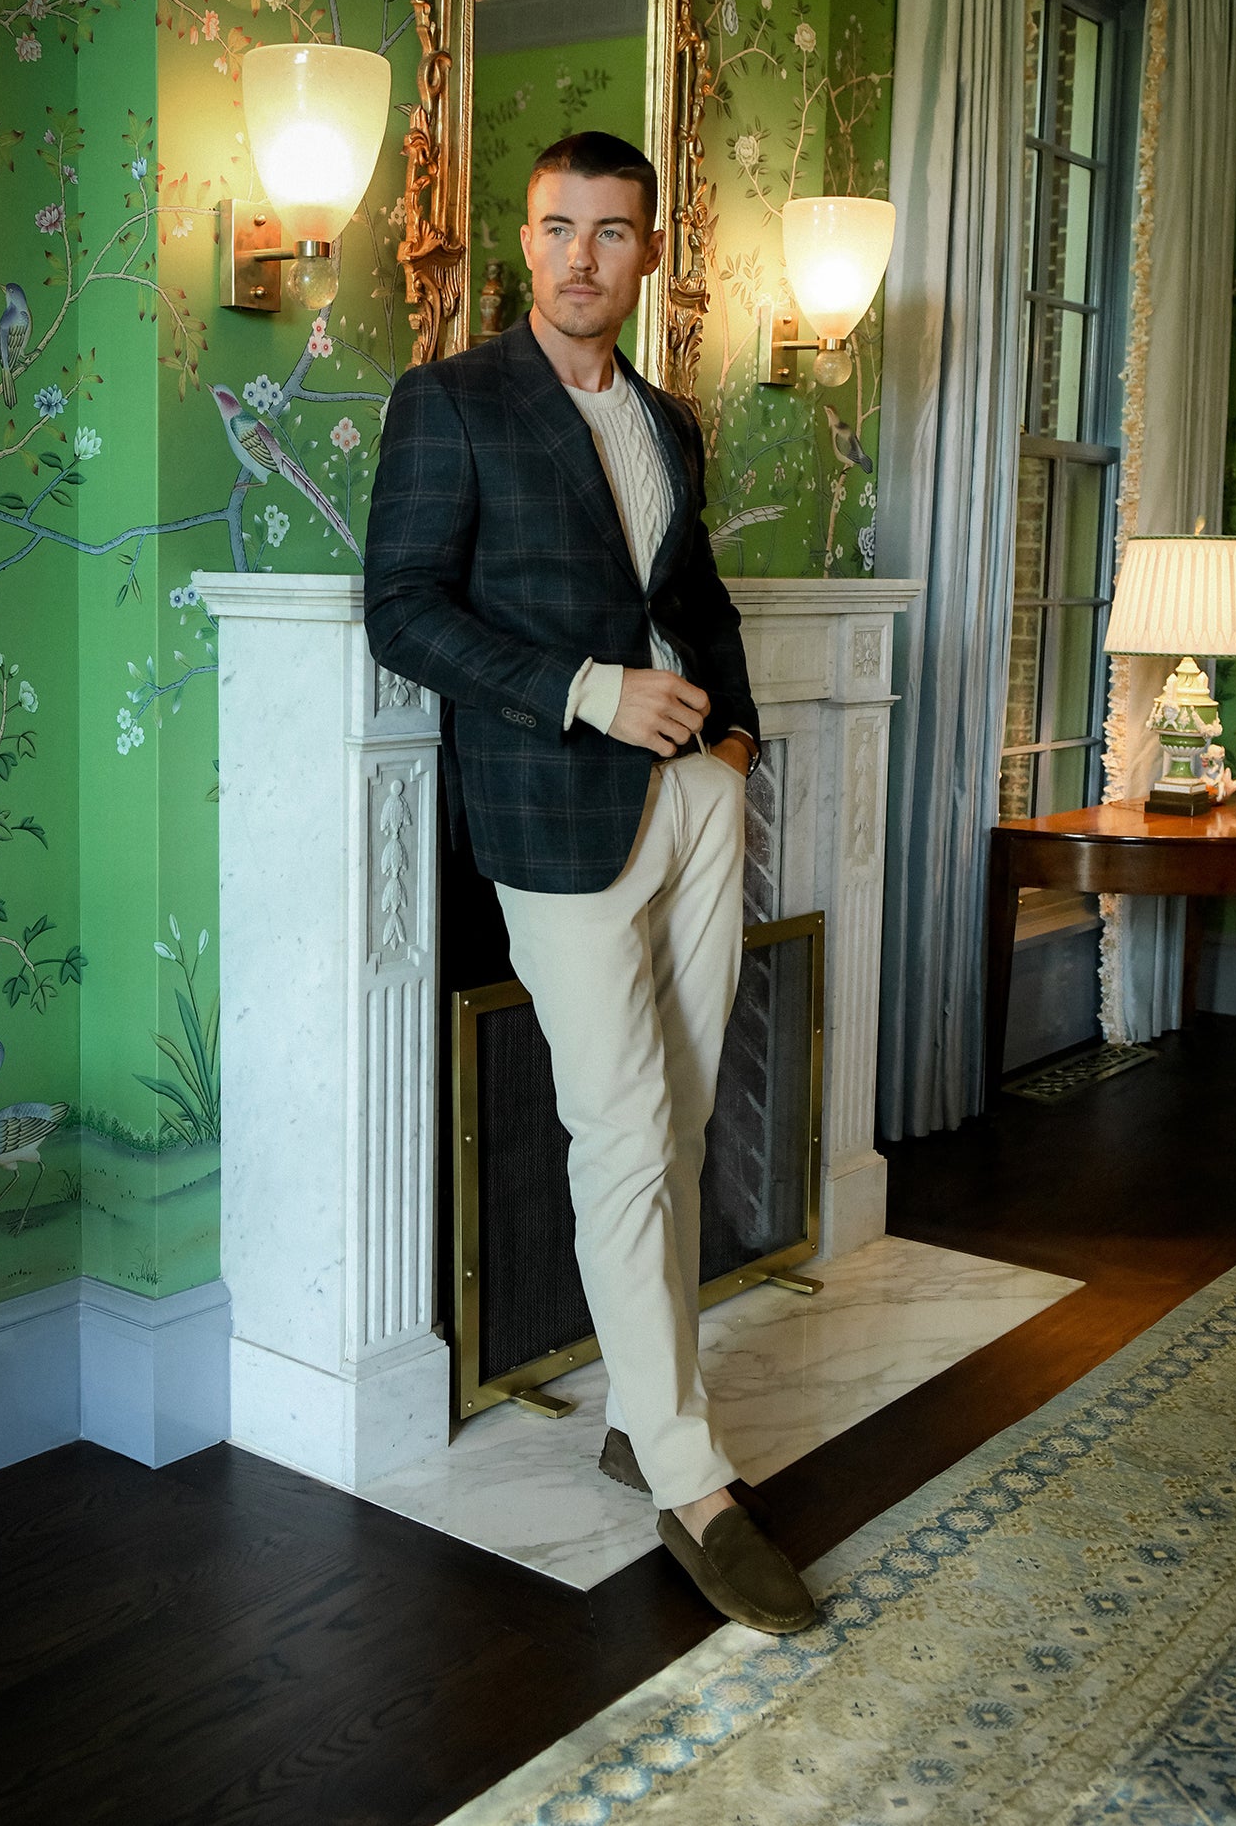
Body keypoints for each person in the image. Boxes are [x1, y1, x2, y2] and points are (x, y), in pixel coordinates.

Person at [364, 131, 814, 1634]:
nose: (580, 256)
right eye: (558, 227)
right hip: (554, 811)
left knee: (677, 1120)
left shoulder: (669, 420)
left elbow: (691, 593)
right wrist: (584, 691)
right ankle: (691, 1481)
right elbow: (400, 610)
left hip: (696, 799)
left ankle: (637, 1412)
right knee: (619, 1128)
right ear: (525, 238)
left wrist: (732, 737)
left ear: (645, 254)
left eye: (611, 232)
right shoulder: (451, 400)